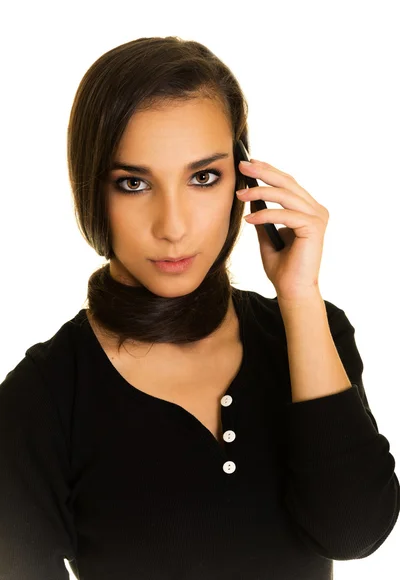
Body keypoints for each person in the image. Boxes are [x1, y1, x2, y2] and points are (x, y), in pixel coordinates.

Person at [1, 36, 398, 580]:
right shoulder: (40, 401)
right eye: (133, 183)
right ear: (91, 190)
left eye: (203, 177)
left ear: (245, 180)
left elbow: (353, 533)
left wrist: (300, 297)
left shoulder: (310, 334)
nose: (174, 226)